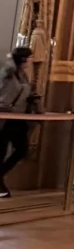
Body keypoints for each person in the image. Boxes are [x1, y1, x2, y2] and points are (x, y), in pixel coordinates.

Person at [0, 46, 36, 197]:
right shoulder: (9, 73)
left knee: (22, 149)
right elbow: (6, 69)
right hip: (4, 116)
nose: (31, 60)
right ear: (23, 59)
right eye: (29, 57)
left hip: (18, 118)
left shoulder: (24, 76)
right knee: (0, 151)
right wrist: (12, 58)